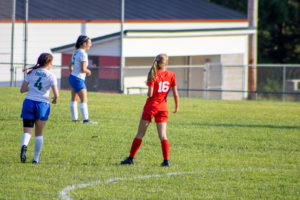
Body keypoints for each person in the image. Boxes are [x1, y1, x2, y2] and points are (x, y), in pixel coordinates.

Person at [121, 53, 179, 167]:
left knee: (140, 134)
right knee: (163, 135)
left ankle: (131, 158)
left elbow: (150, 94)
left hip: (151, 107)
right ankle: (166, 160)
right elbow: (176, 93)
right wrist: (176, 106)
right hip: (163, 108)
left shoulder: (153, 73)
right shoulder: (172, 74)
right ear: (166, 63)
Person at [20, 53, 59, 163]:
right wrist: (55, 99)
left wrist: (32, 88)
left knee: (27, 131)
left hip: (28, 102)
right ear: (48, 63)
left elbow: (22, 89)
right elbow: (56, 94)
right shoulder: (51, 76)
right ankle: (36, 159)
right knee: (39, 134)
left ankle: (24, 145)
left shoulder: (31, 72)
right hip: (42, 104)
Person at [68, 35, 97, 124]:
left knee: (74, 98)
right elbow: (83, 69)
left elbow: (70, 66)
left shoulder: (75, 52)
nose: (90, 45)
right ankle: (86, 120)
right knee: (84, 99)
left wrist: (74, 73)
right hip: (78, 79)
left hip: (72, 77)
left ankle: (75, 119)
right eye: (89, 43)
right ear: (84, 44)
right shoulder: (83, 54)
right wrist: (88, 71)